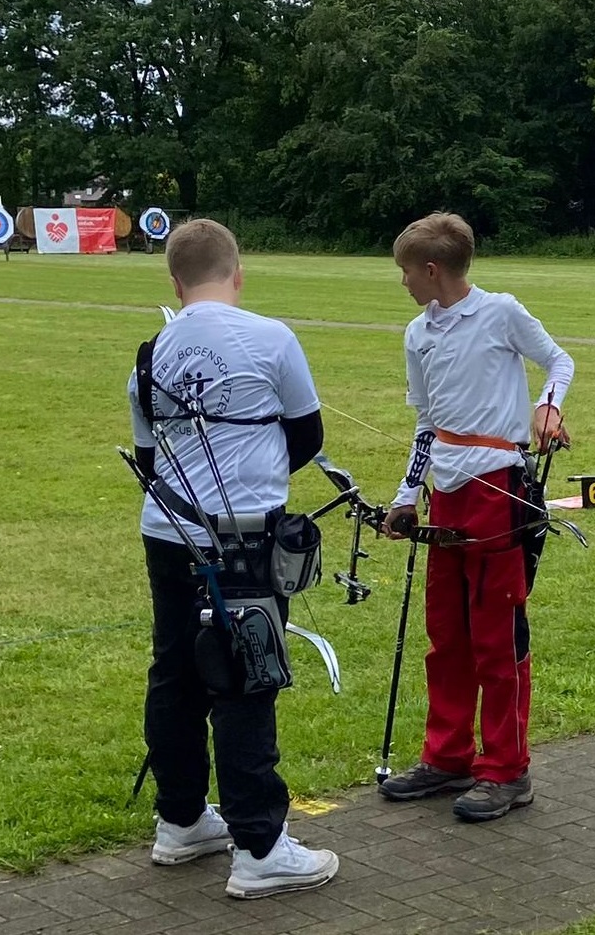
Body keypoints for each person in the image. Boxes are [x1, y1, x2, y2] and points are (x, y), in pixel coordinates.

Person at [128, 219, 340, 898]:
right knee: (247, 671)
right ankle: (259, 845)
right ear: (238, 272)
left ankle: (182, 818)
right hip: (243, 532)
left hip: (167, 532)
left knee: (178, 670)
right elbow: (307, 433)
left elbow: (149, 457)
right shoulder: (272, 337)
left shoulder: (148, 352)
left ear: (174, 280)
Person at [377, 212, 574, 823]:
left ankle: (507, 770)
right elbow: (426, 424)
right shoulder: (418, 333)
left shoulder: (500, 311)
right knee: (448, 635)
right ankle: (449, 755)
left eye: (406, 272)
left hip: (499, 489)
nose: (403, 282)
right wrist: (408, 494)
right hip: (448, 492)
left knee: (497, 637)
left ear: (431, 270)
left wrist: (546, 409)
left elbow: (558, 361)